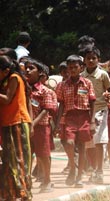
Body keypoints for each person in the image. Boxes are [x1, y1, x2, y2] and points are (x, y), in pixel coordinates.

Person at [55, 55, 96, 187]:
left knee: (82, 146)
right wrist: (57, 123)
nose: (72, 70)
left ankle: (79, 176)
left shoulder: (87, 83)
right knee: (69, 142)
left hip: (84, 117)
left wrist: (92, 121)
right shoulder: (62, 85)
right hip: (70, 117)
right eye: (70, 67)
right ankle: (72, 167)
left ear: (81, 68)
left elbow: (92, 102)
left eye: (75, 67)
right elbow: (61, 104)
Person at [0, 55, 32, 200]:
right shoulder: (5, 79)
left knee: (19, 160)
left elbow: (7, 100)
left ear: (5, 70)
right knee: (8, 160)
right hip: (7, 123)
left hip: (17, 122)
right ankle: (11, 194)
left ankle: (24, 193)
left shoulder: (14, 78)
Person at [81, 45, 110, 184]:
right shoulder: (81, 76)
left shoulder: (103, 74)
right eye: (88, 58)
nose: (91, 61)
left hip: (100, 110)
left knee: (99, 141)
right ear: (84, 60)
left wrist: (108, 94)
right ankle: (94, 169)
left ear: (98, 60)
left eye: (94, 58)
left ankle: (100, 170)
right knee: (88, 143)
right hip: (85, 111)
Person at [24, 58, 57, 193]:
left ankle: (47, 180)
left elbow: (46, 109)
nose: (27, 70)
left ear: (40, 73)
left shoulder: (45, 91)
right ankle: (27, 181)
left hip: (41, 127)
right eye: (26, 68)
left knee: (43, 154)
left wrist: (33, 124)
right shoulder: (24, 89)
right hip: (25, 126)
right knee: (27, 154)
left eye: (31, 68)